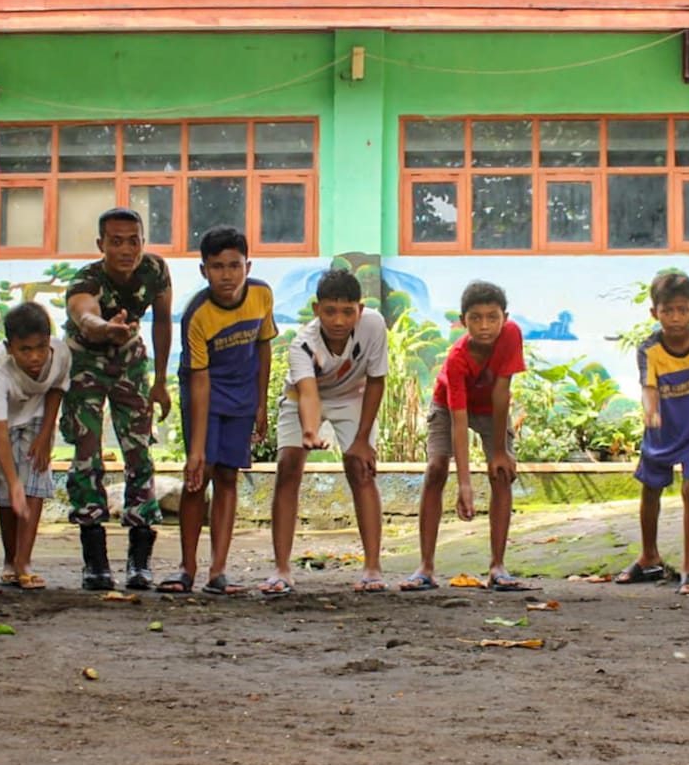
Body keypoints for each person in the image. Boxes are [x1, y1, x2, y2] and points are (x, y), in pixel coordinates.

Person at [160, 226, 276, 596]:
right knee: (199, 475)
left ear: (247, 265)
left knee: (228, 476)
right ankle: (186, 568)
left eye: (234, 265)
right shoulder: (197, 314)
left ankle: (218, 571)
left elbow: (263, 348)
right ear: (203, 271)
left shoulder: (261, 295)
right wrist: (196, 450)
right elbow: (199, 380)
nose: (227, 275)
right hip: (204, 392)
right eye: (217, 267)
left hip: (243, 393)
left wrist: (260, 404)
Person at [62, 207, 173, 591]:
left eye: (133, 241)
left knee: (139, 451)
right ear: (101, 245)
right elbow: (84, 314)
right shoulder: (86, 280)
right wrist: (104, 328)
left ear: (143, 241)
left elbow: (161, 320)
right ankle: (95, 561)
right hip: (85, 359)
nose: (126, 249)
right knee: (87, 452)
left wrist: (159, 381)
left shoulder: (155, 270)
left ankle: (139, 561)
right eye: (116, 242)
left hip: (129, 358)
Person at [266, 268, 388, 594]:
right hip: (303, 397)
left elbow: (377, 381)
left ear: (359, 310)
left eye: (347, 312)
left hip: (352, 395)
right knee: (288, 466)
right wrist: (309, 432)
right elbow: (307, 393)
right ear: (317, 309)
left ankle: (373, 568)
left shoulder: (374, 325)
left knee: (361, 468)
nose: (338, 320)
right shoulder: (302, 345)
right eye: (330, 311)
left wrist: (362, 441)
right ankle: (281, 570)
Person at [404, 280, 529, 592]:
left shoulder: (511, 334)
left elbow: (502, 393)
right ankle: (426, 568)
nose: (484, 325)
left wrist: (500, 451)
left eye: (492, 317)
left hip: (492, 409)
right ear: (463, 321)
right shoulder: (458, 359)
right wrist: (464, 485)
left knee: (502, 472)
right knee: (435, 468)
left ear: (505, 317)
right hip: (448, 406)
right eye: (475, 318)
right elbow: (458, 421)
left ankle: (498, 567)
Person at [617, 272, 689, 595]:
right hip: (662, 433)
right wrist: (650, 412)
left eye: (682, 310)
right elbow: (648, 386)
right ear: (655, 313)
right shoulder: (650, 349)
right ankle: (648, 555)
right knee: (650, 490)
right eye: (668, 311)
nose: (676, 318)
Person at [0, 302, 70, 591]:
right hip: (5, 420)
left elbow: (57, 388)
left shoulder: (61, 354)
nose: (35, 357)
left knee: (34, 483)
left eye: (41, 347)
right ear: (10, 348)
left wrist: (46, 434)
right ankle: (10, 559)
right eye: (25, 350)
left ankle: (24, 562)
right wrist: (12, 482)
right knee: (10, 495)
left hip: (37, 415)